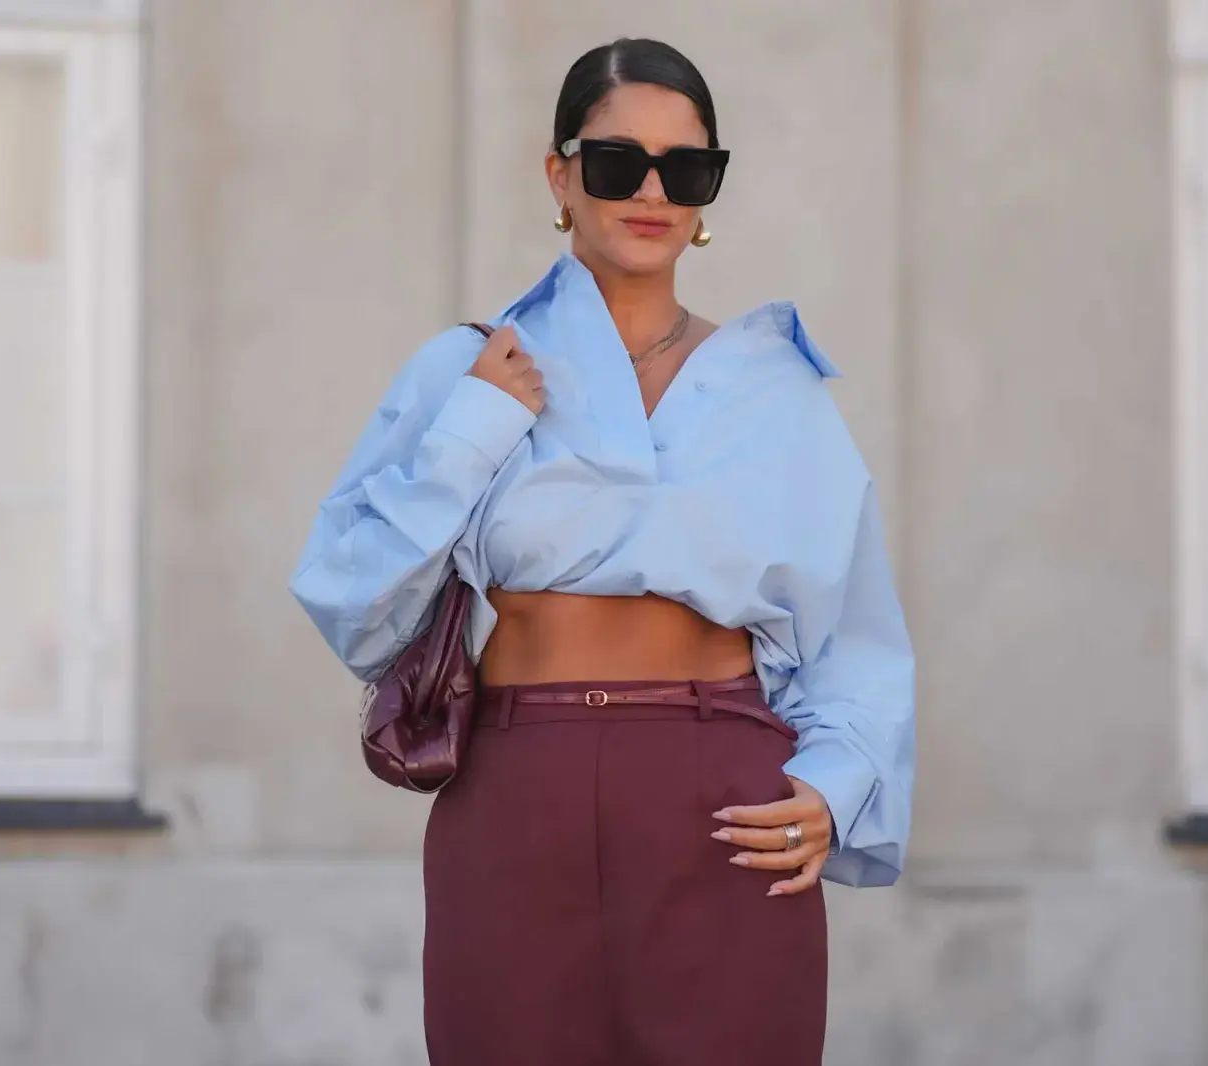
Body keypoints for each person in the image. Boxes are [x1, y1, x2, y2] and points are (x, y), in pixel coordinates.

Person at [290, 37, 914, 1066]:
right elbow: (350, 598)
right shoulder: (470, 368)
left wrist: (836, 782)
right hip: (517, 786)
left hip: (726, 790)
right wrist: (474, 430)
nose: (652, 191)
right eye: (619, 161)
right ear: (560, 175)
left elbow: (852, 625)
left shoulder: (776, 387)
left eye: (687, 166)